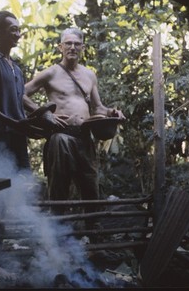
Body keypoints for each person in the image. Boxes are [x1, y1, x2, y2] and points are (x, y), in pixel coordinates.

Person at [23, 27, 126, 226]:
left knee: (91, 188)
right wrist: (43, 112)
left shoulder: (89, 75)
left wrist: (113, 112)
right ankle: (59, 242)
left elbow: (98, 108)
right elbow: (20, 93)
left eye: (77, 44)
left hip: (85, 137)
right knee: (59, 188)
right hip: (61, 137)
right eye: (68, 43)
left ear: (83, 48)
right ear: (60, 47)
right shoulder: (51, 73)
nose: (72, 47)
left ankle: (94, 240)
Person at [0, 10, 42, 279]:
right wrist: (12, 123)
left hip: (14, 140)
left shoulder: (16, 68)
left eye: (18, 28)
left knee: (7, 200)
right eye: (11, 29)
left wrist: (42, 116)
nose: (17, 33)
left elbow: (19, 102)